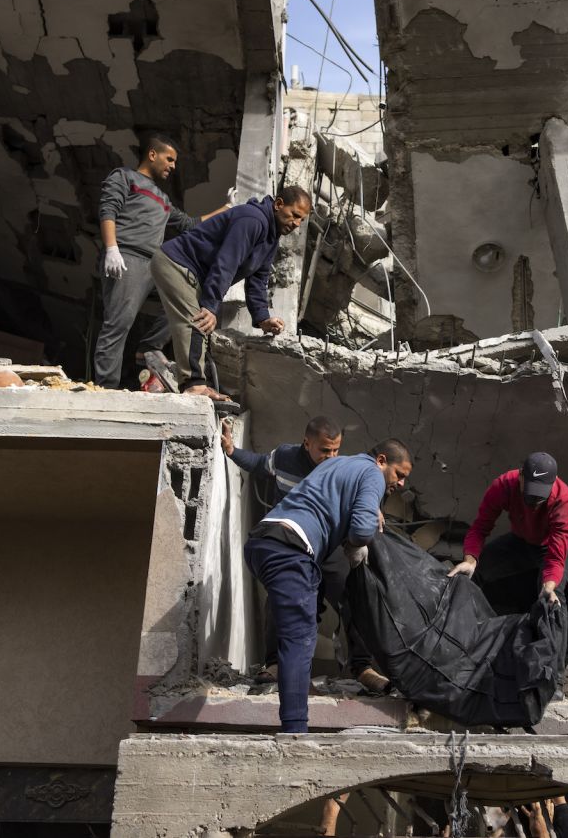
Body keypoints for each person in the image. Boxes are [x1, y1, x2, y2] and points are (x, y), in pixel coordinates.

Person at [244, 438, 413, 732]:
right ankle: (295, 732)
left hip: (264, 542)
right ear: (382, 460)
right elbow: (361, 528)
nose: (400, 484)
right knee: (300, 638)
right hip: (290, 548)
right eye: (399, 474)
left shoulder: (338, 462)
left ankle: (296, 689)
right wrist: (356, 542)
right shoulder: (372, 472)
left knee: (303, 615)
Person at [221, 416, 390, 693]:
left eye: (336, 450)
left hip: (328, 544)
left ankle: (362, 666)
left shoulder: (338, 467)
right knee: (283, 599)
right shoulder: (285, 458)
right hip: (292, 542)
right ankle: (276, 665)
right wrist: (232, 451)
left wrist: (372, 507)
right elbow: (260, 464)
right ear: (306, 443)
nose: (331, 456)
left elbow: (360, 494)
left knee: (355, 594)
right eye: (325, 450)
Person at [93, 134, 231, 388]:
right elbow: (108, 210)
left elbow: (190, 224)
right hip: (127, 258)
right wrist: (112, 248)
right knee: (118, 325)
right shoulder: (124, 177)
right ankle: (106, 388)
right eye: (169, 159)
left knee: (187, 301)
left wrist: (227, 208)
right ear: (152, 155)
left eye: (175, 161)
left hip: (156, 263)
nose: (173, 166)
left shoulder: (163, 199)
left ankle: (149, 346)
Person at [150, 185, 312, 399]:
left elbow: (258, 279)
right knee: (198, 322)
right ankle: (194, 386)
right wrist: (210, 305)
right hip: (176, 263)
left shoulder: (271, 236)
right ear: (279, 204)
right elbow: (226, 262)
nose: (297, 224)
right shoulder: (252, 219)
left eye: (301, 220)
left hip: (193, 273)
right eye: (295, 215)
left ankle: (195, 383)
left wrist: (262, 318)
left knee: (202, 330)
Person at [448, 451, 568, 614]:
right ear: (520, 476)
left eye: (540, 496)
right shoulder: (503, 486)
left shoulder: (562, 500)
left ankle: (549, 639)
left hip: (555, 544)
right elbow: (479, 528)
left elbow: (555, 558)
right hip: (523, 538)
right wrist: (470, 560)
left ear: (552, 484)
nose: (534, 501)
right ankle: (454, 622)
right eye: (530, 492)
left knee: (552, 599)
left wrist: (549, 585)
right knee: (472, 571)